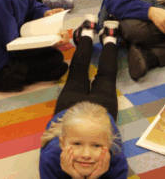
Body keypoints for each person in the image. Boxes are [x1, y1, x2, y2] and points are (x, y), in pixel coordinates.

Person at [39, 21, 128, 179]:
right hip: (93, 113)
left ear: (108, 145)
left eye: (96, 145)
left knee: (79, 74)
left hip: (70, 111)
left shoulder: (115, 156)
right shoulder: (51, 157)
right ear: (62, 143)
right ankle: (96, 35)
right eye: (77, 144)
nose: (86, 155)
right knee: (101, 78)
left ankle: (94, 34)